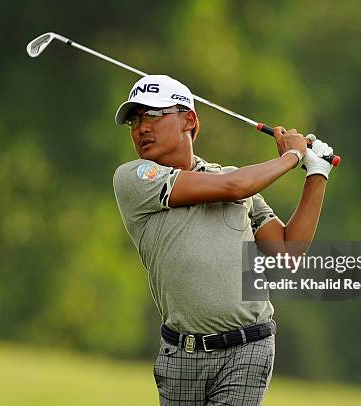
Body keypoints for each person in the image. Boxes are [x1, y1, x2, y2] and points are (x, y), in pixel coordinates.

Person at [112, 75, 334, 405]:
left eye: (153, 115)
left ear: (189, 120)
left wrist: (317, 172)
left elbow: (288, 252)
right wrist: (291, 158)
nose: (141, 127)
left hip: (247, 348)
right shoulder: (134, 179)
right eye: (135, 119)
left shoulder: (231, 179)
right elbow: (234, 186)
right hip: (180, 356)